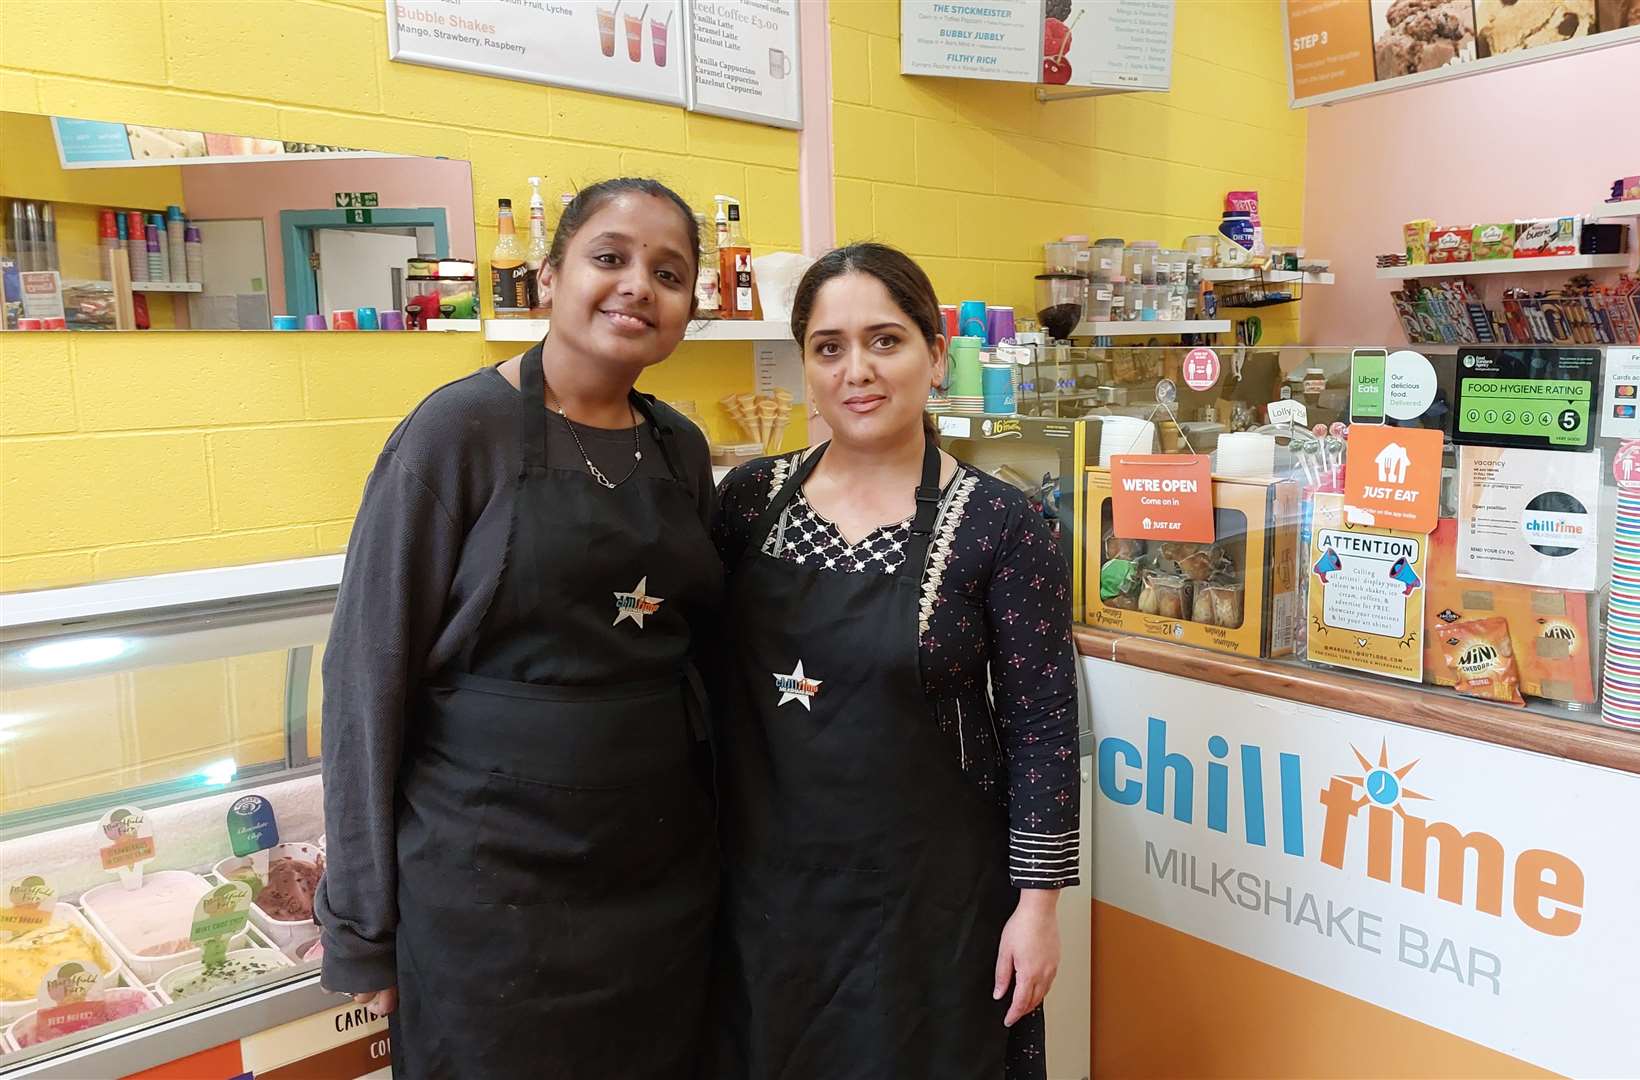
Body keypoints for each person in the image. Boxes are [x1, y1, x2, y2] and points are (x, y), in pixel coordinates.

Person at [315, 178, 723, 1078]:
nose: (637, 287)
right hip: (489, 889)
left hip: (659, 878)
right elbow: (363, 681)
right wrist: (360, 923)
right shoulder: (457, 432)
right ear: (548, 278)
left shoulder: (680, 449)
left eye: (669, 272)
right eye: (608, 258)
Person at [710, 243, 1081, 1078]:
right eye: (828, 346)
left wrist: (1038, 909)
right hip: (767, 894)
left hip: (934, 905)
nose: (857, 371)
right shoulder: (744, 503)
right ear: (804, 364)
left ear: (934, 354)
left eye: (885, 340)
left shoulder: (1003, 524)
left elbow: (1041, 723)